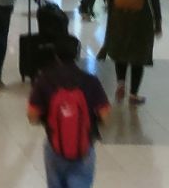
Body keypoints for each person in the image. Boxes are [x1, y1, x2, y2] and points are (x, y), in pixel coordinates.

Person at [27, 34, 112, 188]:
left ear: (55, 55)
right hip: (84, 148)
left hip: (55, 147)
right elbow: (106, 117)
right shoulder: (90, 81)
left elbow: (32, 117)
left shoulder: (44, 80)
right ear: (77, 54)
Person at [98, 0, 161, 104]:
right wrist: (158, 22)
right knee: (138, 56)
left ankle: (120, 83)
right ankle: (133, 94)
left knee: (121, 52)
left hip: (118, 17)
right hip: (141, 20)